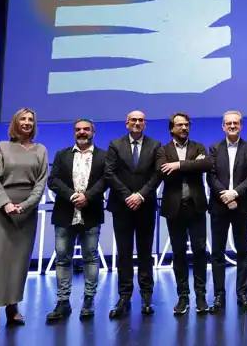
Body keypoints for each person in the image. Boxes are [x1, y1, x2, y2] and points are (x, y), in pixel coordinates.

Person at [0, 107, 48, 335]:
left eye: (31, 119)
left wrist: (27, 205)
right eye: (23, 118)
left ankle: (12, 308)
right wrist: (6, 204)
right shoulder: (1, 147)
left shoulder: (41, 150)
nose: (27, 122)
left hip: (27, 212)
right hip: (3, 210)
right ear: (15, 122)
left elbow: (41, 182)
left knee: (19, 263)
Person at [46, 119, 106, 322]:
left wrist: (87, 196)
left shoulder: (103, 156)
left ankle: (88, 300)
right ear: (74, 132)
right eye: (78, 129)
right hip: (64, 214)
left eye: (86, 129)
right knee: (63, 259)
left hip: (91, 213)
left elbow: (105, 180)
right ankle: (63, 302)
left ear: (93, 132)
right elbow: (52, 181)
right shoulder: (62, 154)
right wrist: (72, 195)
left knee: (91, 258)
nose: (82, 132)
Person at [105, 110, 161, 318]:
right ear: (126, 123)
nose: (137, 123)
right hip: (122, 206)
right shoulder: (115, 144)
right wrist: (129, 196)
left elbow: (157, 174)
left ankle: (147, 296)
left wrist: (141, 196)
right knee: (124, 253)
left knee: (146, 254)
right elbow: (109, 173)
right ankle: (124, 296)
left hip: (145, 206)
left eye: (141, 120)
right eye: (133, 120)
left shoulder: (155, 145)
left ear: (145, 124)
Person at [156, 112, 212, 315]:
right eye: (180, 125)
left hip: (196, 206)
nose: (184, 128)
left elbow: (206, 164)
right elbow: (162, 170)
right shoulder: (163, 150)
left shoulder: (198, 146)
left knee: (199, 251)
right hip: (174, 208)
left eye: (187, 125)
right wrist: (192, 165)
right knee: (178, 253)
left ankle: (201, 295)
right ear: (172, 128)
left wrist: (179, 165)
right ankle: (183, 296)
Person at [206, 110, 247, 313]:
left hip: (241, 206)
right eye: (228, 123)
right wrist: (224, 195)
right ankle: (219, 295)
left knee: (243, 251)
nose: (232, 126)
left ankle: (242, 294)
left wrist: (235, 193)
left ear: (241, 125)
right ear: (223, 126)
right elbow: (210, 177)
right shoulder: (214, 148)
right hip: (219, 206)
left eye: (236, 123)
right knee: (217, 252)